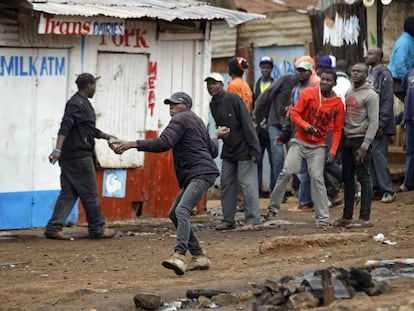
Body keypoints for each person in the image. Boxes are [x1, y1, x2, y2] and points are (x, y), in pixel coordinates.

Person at [112, 92, 221, 275]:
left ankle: (179, 256)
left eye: (174, 104)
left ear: (185, 105)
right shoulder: (197, 120)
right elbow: (212, 150)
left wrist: (132, 143)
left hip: (200, 173)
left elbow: (164, 143)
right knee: (174, 213)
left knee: (181, 211)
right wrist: (216, 136)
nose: (171, 107)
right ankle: (199, 256)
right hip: (202, 172)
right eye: (169, 104)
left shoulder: (180, 119)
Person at [266, 70, 344, 228]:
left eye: (329, 80)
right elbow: (294, 114)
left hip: (318, 146)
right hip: (300, 141)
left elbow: (338, 129)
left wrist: (333, 151)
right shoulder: (309, 93)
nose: (324, 82)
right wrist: (305, 126)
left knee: (317, 178)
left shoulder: (337, 104)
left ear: (334, 83)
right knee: (287, 171)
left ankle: (322, 219)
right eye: (323, 79)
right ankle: (272, 208)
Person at [45, 73, 117, 240]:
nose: (95, 89)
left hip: (71, 156)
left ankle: (53, 227)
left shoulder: (81, 103)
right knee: (90, 193)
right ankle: (97, 228)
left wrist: (107, 137)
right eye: (94, 86)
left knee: (69, 193)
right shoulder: (76, 104)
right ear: (89, 85)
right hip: (78, 156)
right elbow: (65, 126)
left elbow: (88, 130)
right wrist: (57, 150)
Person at [205, 73, 262, 231]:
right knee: (227, 184)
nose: (211, 86)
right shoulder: (213, 104)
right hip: (229, 149)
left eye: (215, 83)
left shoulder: (233, 99)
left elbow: (247, 123)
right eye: (209, 84)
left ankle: (253, 220)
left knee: (247, 184)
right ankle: (228, 219)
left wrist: (255, 148)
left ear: (222, 85)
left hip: (244, 148)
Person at [333, 63, 379, 228]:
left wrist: (365, 146)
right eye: (353, 71)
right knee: (347, 178)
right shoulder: (349, 91)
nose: (355, 73)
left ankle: (365, 217)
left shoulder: (371, 95)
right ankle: (347, 216)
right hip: (347, 139)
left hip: (361, 140)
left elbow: (374, 122)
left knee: (364, 177)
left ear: (366, 74)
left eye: (359, 71)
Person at [253, 74, 298, 192]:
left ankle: (297, 189)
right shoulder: (286, 79)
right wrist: (256, 112)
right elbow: (267, 94)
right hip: (275, 122)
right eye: (299, 70)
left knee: (294, 158)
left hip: (292, 125)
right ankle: (277, 191)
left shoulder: (307, 86)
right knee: (277, 158)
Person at [366, 47, 396, 203]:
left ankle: (388, 190)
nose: (367, 56)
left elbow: (386, 101)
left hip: (379, 126)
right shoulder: (371, 73)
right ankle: (376, 189)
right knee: (371, 157)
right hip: (370, 124)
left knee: (379, 157)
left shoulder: (384, 74)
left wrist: (381, 123)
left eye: (371, 54)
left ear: (379, 56)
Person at [253, 56, 275, 197]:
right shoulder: (256, 84)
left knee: (275, 160)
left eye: (267, 67)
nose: (265, 70)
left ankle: (274, 189)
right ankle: (258, 190)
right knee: (257, 159)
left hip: (271, 127)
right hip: (258, 129)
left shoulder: (275, 84)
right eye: (263, 67)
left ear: (271, 69)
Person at [388, 16, 414, 102]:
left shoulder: (410, 40)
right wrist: (409, 81)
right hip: (398, 82)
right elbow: (400, 65)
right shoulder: (404, 43)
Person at [399, 67, 414, 192]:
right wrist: (404, 117)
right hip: (410, 120)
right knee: (410, 151)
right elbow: (407, 97)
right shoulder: (409, 73)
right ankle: (408, 182)